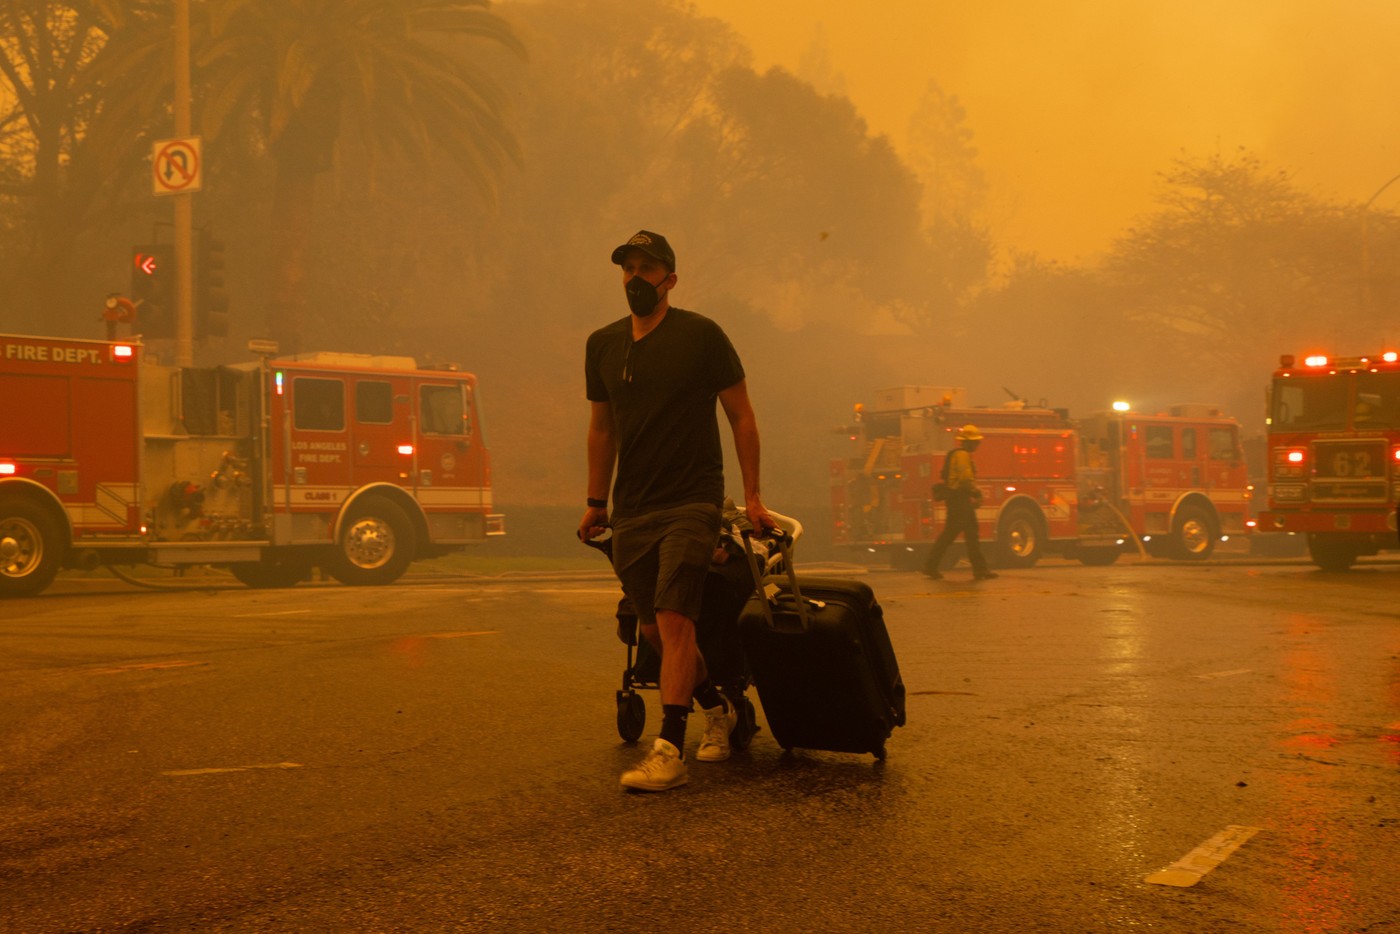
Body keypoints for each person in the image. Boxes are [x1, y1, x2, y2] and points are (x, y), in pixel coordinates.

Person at [579, 229, 774, 792]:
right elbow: (601, 428)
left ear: (670, 278)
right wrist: (596, 502)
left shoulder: (702, 336)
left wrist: (752, 496)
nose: (635, 278)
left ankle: (669, 749)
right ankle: (716, 706)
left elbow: (742, 416)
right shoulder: (603, 345)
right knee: (654, 633)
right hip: (633, 507)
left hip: (693, 499)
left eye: (647, 268)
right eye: (628, 268)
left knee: (674, 617)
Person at [922, 424, 998, 581]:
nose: (977, 445)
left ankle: (931, 566)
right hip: (960, 501)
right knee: (969, 534)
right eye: (976, 442)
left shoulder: (955, 454)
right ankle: (979, 569)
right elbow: (964, 479)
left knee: (955, 535)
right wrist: (976, 492)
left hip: (955, 500)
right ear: (968, 442)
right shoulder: (963, 455)